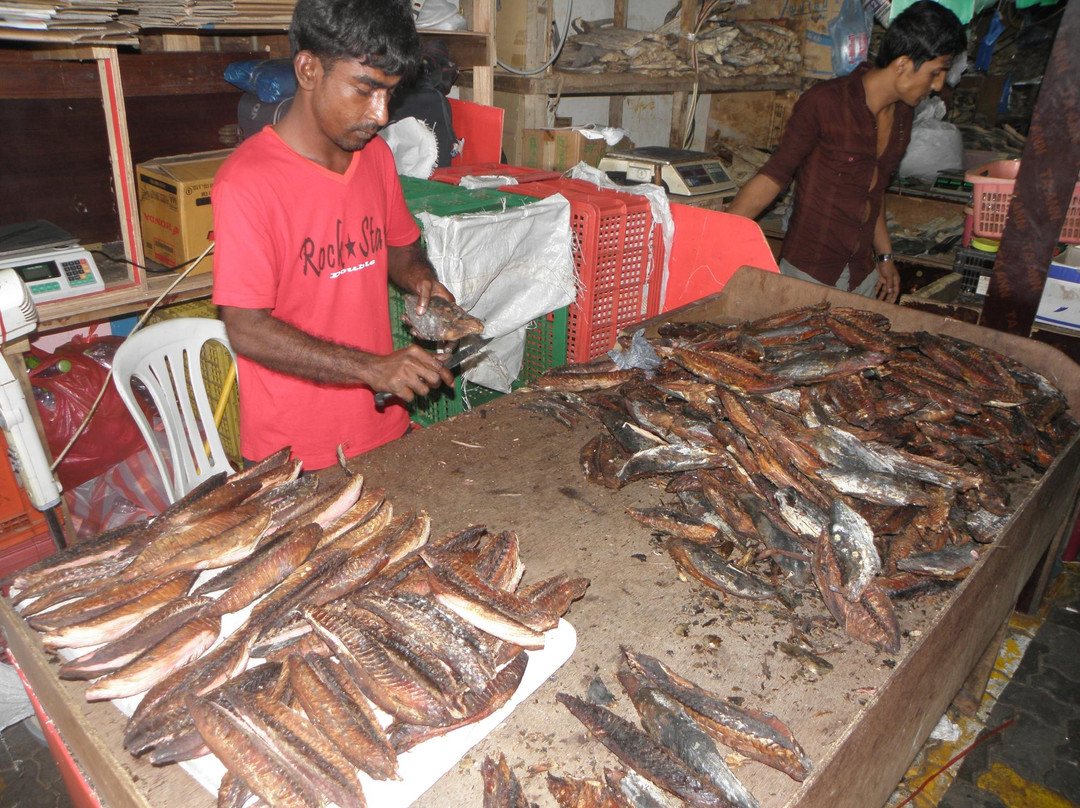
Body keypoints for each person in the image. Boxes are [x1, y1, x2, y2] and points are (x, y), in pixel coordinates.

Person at [211, 0, 455, 471]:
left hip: (385, 426)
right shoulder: (248, 182)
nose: (381, 114)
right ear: (308, 69)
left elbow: (400, 247)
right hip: (298, 454)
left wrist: (422, 281)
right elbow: (246, 329)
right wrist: (372, 368)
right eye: (365, 90)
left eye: (390, 93)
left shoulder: (375, 157)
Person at [725, 0, 967, 303]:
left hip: (862, 275)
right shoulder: (825, 103)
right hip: (809, 275)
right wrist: (720, 243)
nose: (939, 85)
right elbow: (774, 176)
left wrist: (885, 256)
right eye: (936, 72)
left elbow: (872, 191)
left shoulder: (903, 116)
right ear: (903, 64)